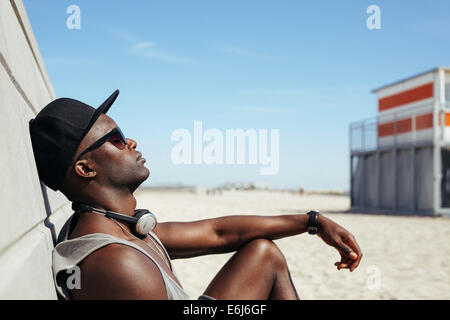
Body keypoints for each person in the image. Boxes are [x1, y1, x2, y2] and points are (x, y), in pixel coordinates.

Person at [29, 90, 363, 300]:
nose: (131, 142)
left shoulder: (122, 227)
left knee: (263, 253)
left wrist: (314, 222)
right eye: (116, 138)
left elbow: (218, 232)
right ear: (86, 169)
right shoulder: (118, 262)